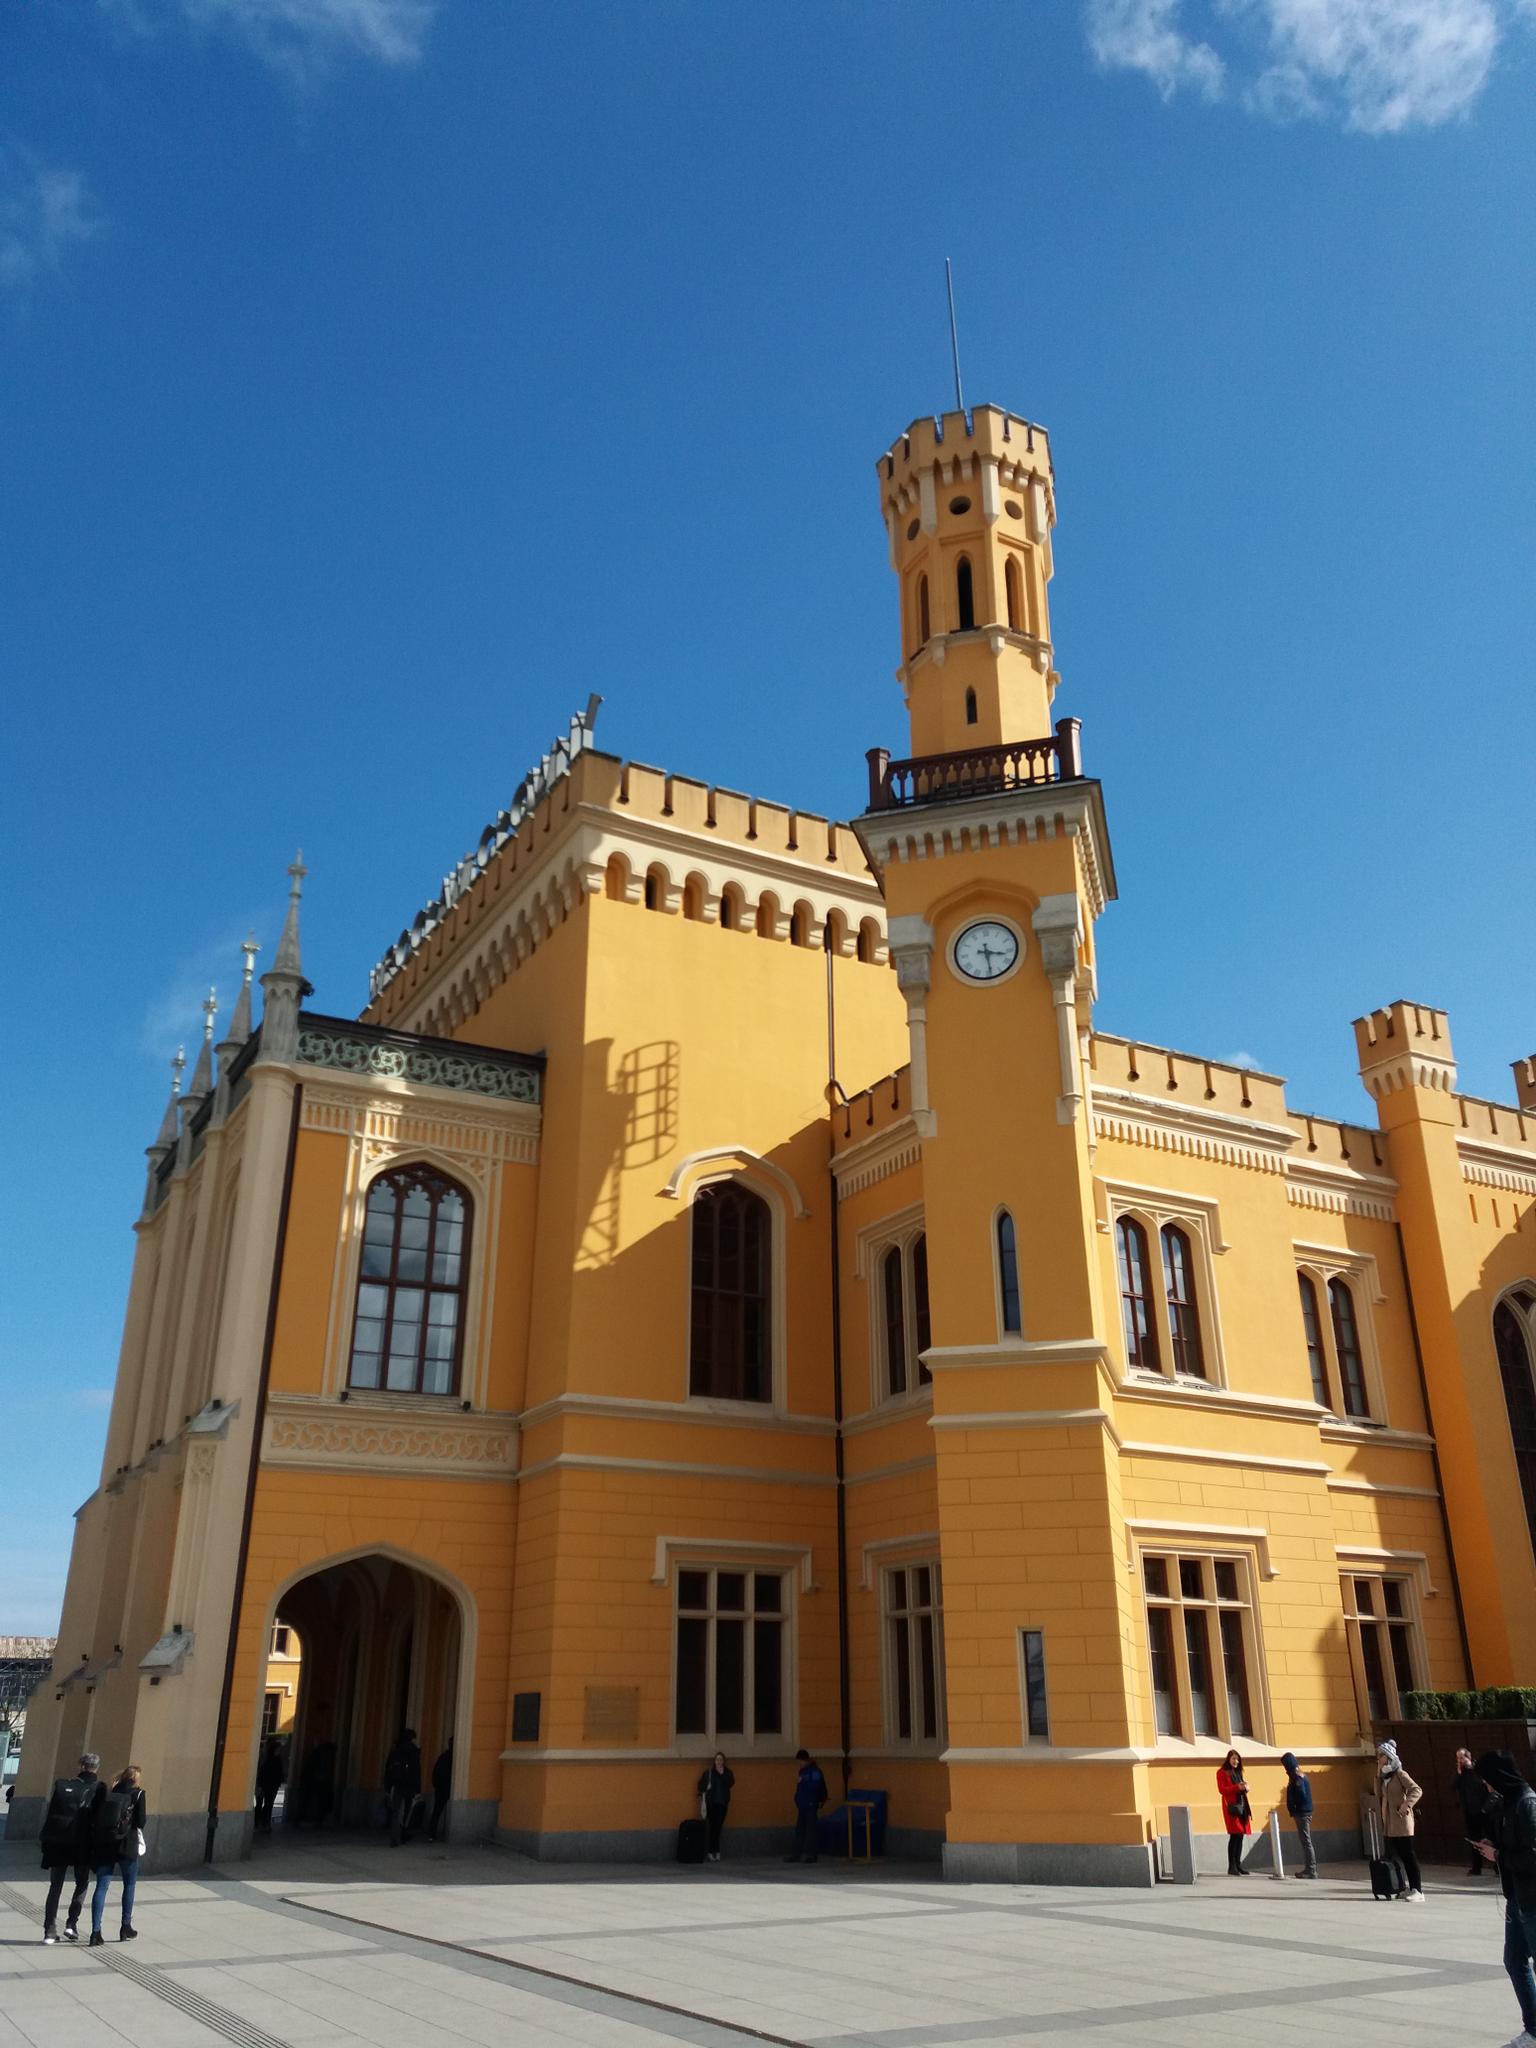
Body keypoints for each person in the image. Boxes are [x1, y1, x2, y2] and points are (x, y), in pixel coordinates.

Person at [1472, 1749, 1536, 2048]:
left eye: (1488, 1780)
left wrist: (1497, 1854)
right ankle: (1533, 2029)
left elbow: (1532, 1857)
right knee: (1514, 1960)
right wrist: (1493, 1844)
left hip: (1532, 1900)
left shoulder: (1527, 1803)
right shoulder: (1508, 1804)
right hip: (1517, 1898)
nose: (1487, 1786)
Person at [39, 1751, 103, 1944]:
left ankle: (50, 1930)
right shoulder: (99, 1788)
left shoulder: (63, 1785)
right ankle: (71, 1924)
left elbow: (51, 1814)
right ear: (96, 1768)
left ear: (80, 1766)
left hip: (59, 1843)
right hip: (83, 1844)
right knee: (82, 1883)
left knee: (55, 1886)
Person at [88, 1764, 146, 1946]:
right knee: (129, 1885)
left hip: (106, 1843)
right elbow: (141, 1822)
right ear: (136, 1779)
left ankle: (95, 1932)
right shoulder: (138, 1794)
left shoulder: (109, 1792)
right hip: (127, 1845)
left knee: (101, 1887)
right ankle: (125, 1926)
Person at [1377, 1739, 1424, 1900]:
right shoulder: (1385, 1776)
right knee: (1401, 1856)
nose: (1378, 1758)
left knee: (1409, 1856)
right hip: (1391, 1823)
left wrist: (1406, 1804)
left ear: (1388, 1756)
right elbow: (1378, 1793)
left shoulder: (1400, 1774)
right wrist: (1378, 1773)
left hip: (1402, 1821)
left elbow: (1416, 1790)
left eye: (1381, 1755)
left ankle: (1418, 1890)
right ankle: (1408, 1887)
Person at [1456, 1746, 1498, 1876]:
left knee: (1492, 1838)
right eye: (1458, 1758)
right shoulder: (1462, 1774)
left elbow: (1487, 1788)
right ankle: (1476, 1867)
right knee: (1474, 1840)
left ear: (1468, 1757)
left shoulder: (1477, 1770)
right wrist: (1459, 1772)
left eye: (1461, 1758)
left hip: (1484, 1812)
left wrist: (1485, 1808)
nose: (1460, 1760)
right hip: (1470, 1812)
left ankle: (1497, 1866)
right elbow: (1453, 1786)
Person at [785, 1749, 827, 1864]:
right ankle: (797, 1854)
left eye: (800, 1761)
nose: (799, 1764)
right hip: (803, 1805)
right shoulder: (802, 1771)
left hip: (811, 1804)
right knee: (800, 1830)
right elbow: (800, 1789)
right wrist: (797, 1799)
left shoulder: (814, 1771)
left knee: (810, 1830)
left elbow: (815, 1786)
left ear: (805, 1760)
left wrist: (803, 1781)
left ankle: (811, 1855)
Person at [1280, 1752, 1317, 1878]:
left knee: (1306, 1841)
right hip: (1303, 1812)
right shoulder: (1299, 1775)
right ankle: (1310, 1868)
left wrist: (1295, 1807)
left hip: (1302, 1813)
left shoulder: (1297, 1777)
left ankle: (1311, 1869)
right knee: (1306, 1841)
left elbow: (1301, 1793)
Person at [383, 1727, 422, 1846]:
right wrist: (418, 1788)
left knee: (395, 1812)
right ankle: (404, 1834)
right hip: (409, 1785)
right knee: (408, 1812)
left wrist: (387, 1786)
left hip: (397, 1784)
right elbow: (416, 1770)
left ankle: (394, 1838)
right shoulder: (414, 1750)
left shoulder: (396, 1750)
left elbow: (389, 1768)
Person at [1217, 1750, 1251, 1875]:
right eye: (1233, 1759)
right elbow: (1222, 1789)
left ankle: (1238, 1864)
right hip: (1231, 1807)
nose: (1236, 1761)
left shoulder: (1238, 1772)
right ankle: (1232, 1866)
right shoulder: (1222, 1772)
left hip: (1241, 1806)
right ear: (1228, 1759)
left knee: (1240, 1835)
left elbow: (1240, 1787)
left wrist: (1245, 1787)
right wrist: (1237, 1787)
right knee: (1234, 1835)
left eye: (1237, 1759)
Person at [697, 1751, 734, 1863]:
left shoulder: (727, 1772)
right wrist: (706, 1787)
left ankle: (714, 1851)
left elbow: (731, 1783)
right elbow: (700, 1786)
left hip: (722, 1804)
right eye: (717, 1759)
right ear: (714, 1761)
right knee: (713, 1828)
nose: (719, 1761)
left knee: (718, 1828)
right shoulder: (709, 1773)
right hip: (711, 1804)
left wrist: (722, 1774)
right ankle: (713, 1852)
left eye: (721, 1759)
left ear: (724, 1761)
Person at [294, 1739, 336, 1828]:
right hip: (318, 1781)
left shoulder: (317, 1753)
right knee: (318, 1801)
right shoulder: (324, 1756)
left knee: (307, 1801)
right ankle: (317, 1820)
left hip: (312, 1781)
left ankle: (300, 1819)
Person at [254, 1738, 286, 1834]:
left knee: (269, 1804)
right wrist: (259, 1785)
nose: (279, 1751)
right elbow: (261, 1772)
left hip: (272, 1786)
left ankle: (264, 1823)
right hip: (264, 1785)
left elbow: (279, 1773)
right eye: (278, 1749)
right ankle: (259, 1823)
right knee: (261, 1804)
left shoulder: (277, 1760)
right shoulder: (265, 1758)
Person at [428, 1740, 452, 1842]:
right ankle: (433, 1833)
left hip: (440, 1788)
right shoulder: (451, 1758)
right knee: (437, 1811)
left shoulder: (442, 1757)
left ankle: (431, 1834)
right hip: (447, 1788)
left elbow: (435, 1772)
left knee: (436, 1811)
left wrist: (436, 1785)